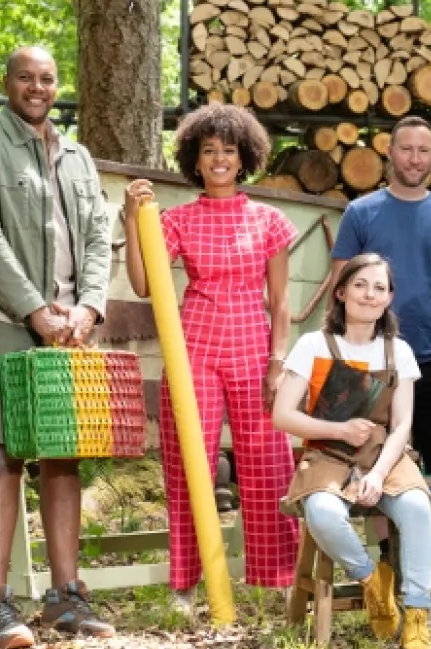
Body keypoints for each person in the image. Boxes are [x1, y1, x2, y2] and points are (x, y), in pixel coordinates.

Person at [0, 46, 115, 647]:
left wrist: (88, 306)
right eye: (26, 77)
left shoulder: (78, 156)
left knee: (63, 453)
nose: (37, 87)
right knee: (2, 451)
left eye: (46, 79)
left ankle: (66, 597)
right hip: (1, 315)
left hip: (69, 321)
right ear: (7, 83)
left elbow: (98, 237)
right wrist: (34, 311)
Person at [123, 103, 299, 612]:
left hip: (254, 344)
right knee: (188, 460)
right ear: (194, 161)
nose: (219, 159)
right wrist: (133, 220)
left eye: (228, 150)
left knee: (267, 459)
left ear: (244, 159)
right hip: (194, 345)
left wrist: (278, 361)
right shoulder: (177, 219)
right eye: (209, 151)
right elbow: (143, 283)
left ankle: (277, 579)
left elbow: (281, 302)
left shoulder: (269, 220)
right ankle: (184, 582)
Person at [274, 253, 431, 649]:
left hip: (383, 454)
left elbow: (402, 425)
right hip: (327, 454)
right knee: (322, 513)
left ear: (389, 298)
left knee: (418, 507)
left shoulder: (398, 351)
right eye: (360, 285)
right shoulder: (314, 345)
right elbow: (282, 415)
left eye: (379, 287)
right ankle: (373, 583)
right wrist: (339, 430)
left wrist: (379, 474)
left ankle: (417, 614)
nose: (369, 294)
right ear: (341, 292)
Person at [329, 115, 431, 478]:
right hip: (367, 359)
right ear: (389, 151)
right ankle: (372, 520)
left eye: (423, 151)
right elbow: (339, 286)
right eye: (406, 149)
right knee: (362, 462)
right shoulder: (360, 212)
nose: (414, 159)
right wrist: (336, 352)